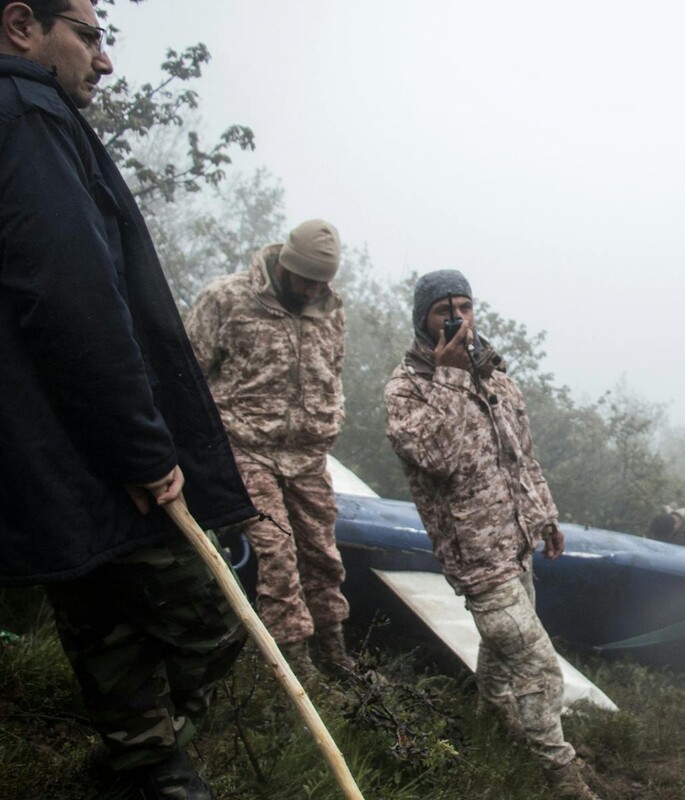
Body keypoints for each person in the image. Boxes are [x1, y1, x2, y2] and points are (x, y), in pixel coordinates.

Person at [0, 2, 255, 796]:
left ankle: (142, 763)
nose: (104, 61)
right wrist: (143, 448)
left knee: (101, 605)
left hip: (50, 444)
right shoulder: (29, 113)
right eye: (89, 33)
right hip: (90, 444)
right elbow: (73, 295)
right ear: (20, 25)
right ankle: (143, 757)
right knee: (208, 611)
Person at [384, 270, 600, 800]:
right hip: (475, 554)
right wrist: (451, 376)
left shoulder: (498, 378)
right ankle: (562, 776)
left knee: (503, 649)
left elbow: (522, 457)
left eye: (465, 306)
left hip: (516, 540)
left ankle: (490, 715)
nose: (457, 318)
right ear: (424, 320)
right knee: (539, 666)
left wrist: (545, 517)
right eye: (443, 311)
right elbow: (438, 458)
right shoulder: (406, 388)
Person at [186, 219, 357, 685]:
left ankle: (334, 654)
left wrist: (331, 417)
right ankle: (295, 666)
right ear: (285, 264)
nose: (311, 290)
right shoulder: (227, 300)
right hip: (246, 448)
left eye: (322, 281)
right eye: (305, 278)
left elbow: (333, 370)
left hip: (307, 457)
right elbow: (188, 373)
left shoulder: (330, 309)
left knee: (323, 556)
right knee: (276, 551)